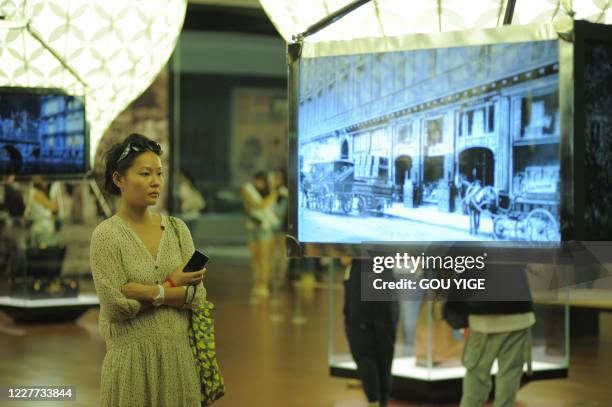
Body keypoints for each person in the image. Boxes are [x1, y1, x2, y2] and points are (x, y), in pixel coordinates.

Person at [90, 133, 207, 406]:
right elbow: (116, 307)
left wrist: (149, 292)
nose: (156, 182)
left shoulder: (178, 229)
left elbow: (197, 296)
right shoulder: (106, 236)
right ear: (119, 179)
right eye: (145, 173)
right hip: (130, 363)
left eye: (159, 173)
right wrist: (171, 287)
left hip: (178, 360)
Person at [344, 258, 399, 407]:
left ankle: (375, 399)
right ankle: (380, 400)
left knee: (363, 348)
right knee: (384, 349)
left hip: (363, 279)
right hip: (384, 277)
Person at [240, 171, 278, 302]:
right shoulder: (249, 191)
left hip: (264, 228)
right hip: (252, 227)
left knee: (264, 259)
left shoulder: (272, 193)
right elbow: (248, 207)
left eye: (261, 180)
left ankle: (264, 285)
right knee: (255, 258)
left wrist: (254, 203)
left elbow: (262, 205)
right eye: (256, 180)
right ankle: (257, 284)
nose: (258, 183)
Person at [25, 176, 59, 247]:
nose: (45, 184)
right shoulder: (35, 193)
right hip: (42, 228)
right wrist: (54, 193)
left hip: (43, 227)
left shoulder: (37, 192)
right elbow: (53, 207)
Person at [271, 169, 289, 286]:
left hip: (282, 226)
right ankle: (274, 278)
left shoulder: (284, 193)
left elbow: (281, 211)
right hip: (272, 226)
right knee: (273, 254)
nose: (276, 180)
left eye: (278, 177)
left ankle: (281, 278)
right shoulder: (274, 192)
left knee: (281, 253)